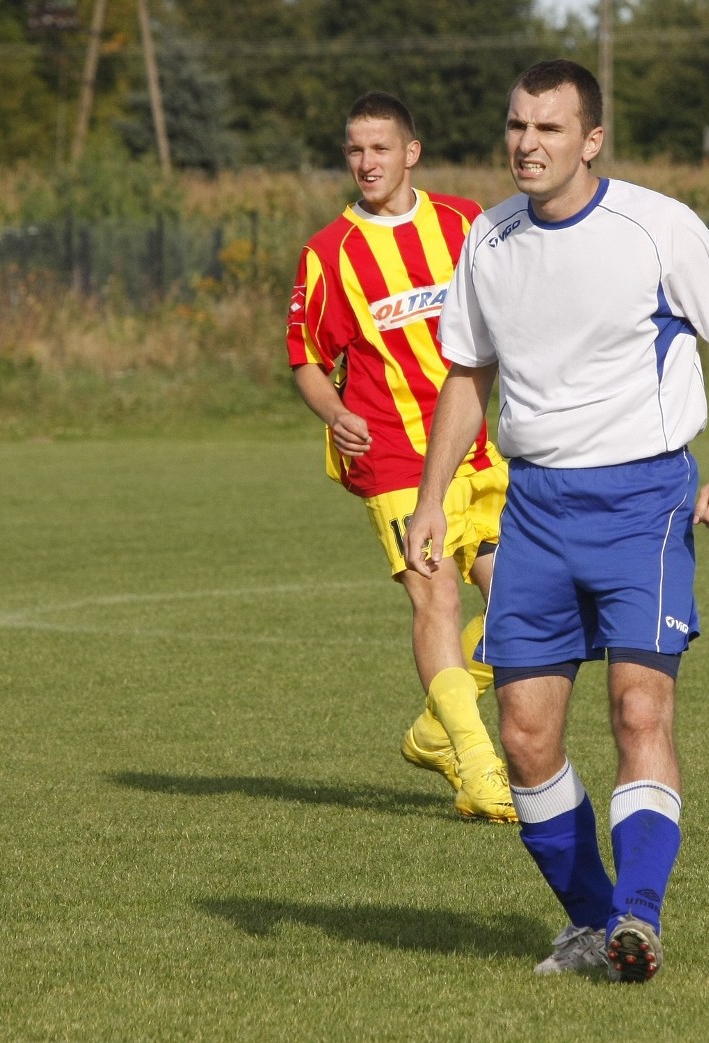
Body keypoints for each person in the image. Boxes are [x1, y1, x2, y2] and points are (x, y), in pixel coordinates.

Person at [404, 59, 709, 981]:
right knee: (527, 738)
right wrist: (427, 498)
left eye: (550, 129)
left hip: (641, 502)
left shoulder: (657, 229)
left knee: (637, 705)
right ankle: (595, 924)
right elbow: (467, 374)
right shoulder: (486, 241)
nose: (527, 144)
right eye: (516, 126)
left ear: (592, 139)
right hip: (533, 508)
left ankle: (639, 916)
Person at [285, 91, 516, 823]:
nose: (366, 162)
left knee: (530, 601)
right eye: (355, 149)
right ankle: (480, 766)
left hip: (477, 449)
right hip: (393, 460)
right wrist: (335, 410)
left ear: (410, 152)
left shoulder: (464, 222)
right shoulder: (330, 253)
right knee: (438, 596)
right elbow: (305, 358)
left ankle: (430, 730)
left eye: (380, 148)